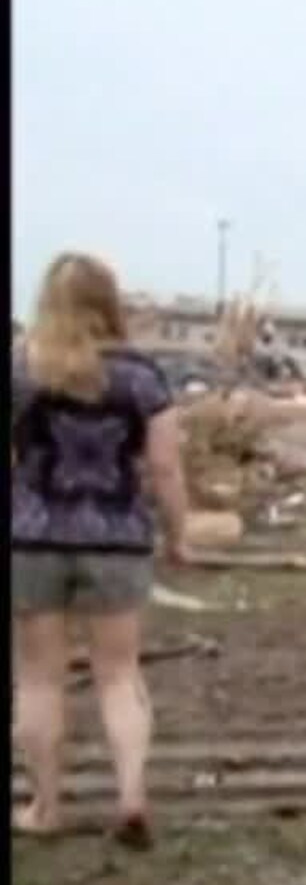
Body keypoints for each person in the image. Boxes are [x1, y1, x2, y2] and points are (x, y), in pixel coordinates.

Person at [11, 251, 189, 849]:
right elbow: (164, 467)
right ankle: (132, 796)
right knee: (119, 675)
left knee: (39, 680)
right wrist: (178, 534)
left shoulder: (20, 369)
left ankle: (46, 806)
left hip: (34, 538)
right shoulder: (141, 376)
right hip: (116, 539)